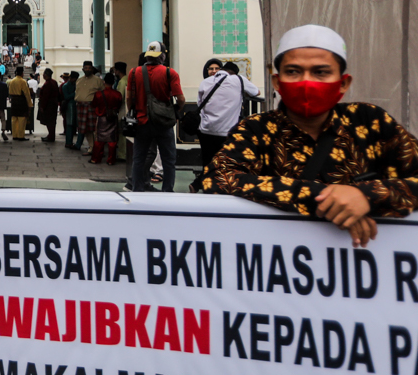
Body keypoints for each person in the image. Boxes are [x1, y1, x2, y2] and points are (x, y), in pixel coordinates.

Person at [201, 25, 418, 247]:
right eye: (293, 72)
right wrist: (322, 197)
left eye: (321, 72)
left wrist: (368, 195)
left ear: (343, 83)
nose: (306, 82)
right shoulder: (256, 130)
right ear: (277, 82)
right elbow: (217, 178)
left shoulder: (370, 122)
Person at [127, 41, 185, 192]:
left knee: (139, 158)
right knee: (168, 159)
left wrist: (134, 111)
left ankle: (137, 188)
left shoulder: (134, 72)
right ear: (163, 56)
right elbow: (181, 99)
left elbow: (129, 98)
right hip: (163, 123)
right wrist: (175, 110)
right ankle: (167, 190)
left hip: (141, 121)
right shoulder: (169, 73)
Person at [195, 60, 261, 170]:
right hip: (227, 131)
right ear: (234, 73)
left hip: (206, 129)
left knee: (207, 160)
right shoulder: (239, 80)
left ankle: (204, 183)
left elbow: (199, 103)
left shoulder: (206, 82)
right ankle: (219, 184)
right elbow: (256, 92)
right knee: (226, 162)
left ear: (222, 70)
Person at [89, 73, 124, 165]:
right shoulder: (118, 94)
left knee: (99, 139)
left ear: (104, 82)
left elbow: (93, 105)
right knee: (112, 140)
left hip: (101, 119)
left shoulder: (98, 94)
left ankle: (96, 158)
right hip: (112, 118)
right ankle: (111, 160)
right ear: (113, 82)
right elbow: (119, 105)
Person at [72, 61, 103, 151]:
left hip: (91, 106)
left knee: (93, 128)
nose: (87, 69)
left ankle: (95, 147)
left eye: (89, 68)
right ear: (83, 69)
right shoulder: (79, 80)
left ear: (92, 69)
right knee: (84, 129)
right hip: (80, 106)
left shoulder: (98, 80)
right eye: (86, 68)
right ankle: (91, 146)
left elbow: (102, 94)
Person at [7, 66, 32, 141]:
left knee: (14, 118)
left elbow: (10, 92)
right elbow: (27, 94)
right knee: (21, 118)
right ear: (22, 73)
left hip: (14, 101)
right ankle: (21, 135)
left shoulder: (12, 81)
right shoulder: (23, 81)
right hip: (21, 101)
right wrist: (30, 104)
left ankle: (15, 135)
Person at [38, 69, 61, 142]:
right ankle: (51, 135)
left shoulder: (48, 84)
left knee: (49, 121)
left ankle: (51, 136)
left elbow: (45, 96)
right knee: (52, 120)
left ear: (45, 75)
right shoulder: (54, 82)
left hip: (48, 105)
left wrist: (42, 106)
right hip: (53, 104)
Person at [113, 62, 129, 162]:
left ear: (117, 71)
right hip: (128, 109)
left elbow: (120, 97)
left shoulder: (122, 82)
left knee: (122, 134)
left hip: (123, 110)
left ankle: (122, 154)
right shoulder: (128, 79)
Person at [61, 71, 78, 148]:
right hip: (70, 105)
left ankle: (70, 142)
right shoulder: (65, 86)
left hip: (74, 105)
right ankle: (68, 142)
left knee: (72, 125)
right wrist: (75, 93)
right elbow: (66, 97)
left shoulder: (74, 84)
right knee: (70, 124)